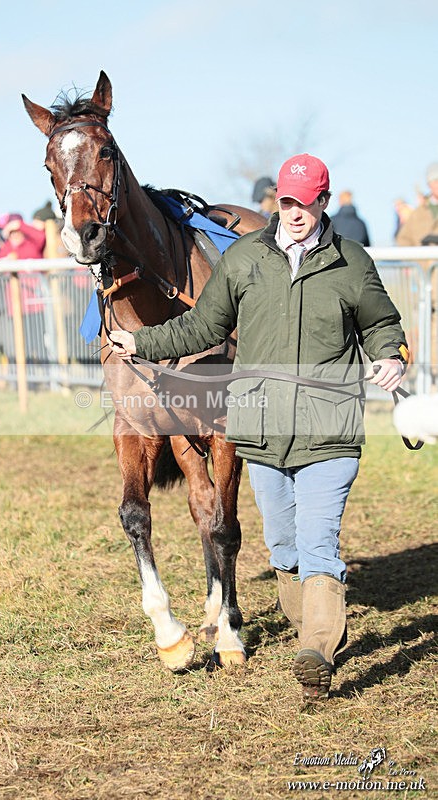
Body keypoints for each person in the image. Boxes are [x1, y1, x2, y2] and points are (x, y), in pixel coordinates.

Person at [108, 153, 408, 703]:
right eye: (286, 201)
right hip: (264, 429)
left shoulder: (351, 262)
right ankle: (308, 624)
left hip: (327, 427)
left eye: (305, 201)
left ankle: (316, 649)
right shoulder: (245, 258)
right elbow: (202, 325)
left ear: (323, 200)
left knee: (318, 544)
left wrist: (391, 355)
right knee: (283, 549)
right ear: (277, 203)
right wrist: (141, 342)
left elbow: (381, 321)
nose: (294, 212)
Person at [0, 212, 48, 366]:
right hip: (15, 307)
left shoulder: (32, 244)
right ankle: (29, 381)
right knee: (22, 345)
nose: (15, 235)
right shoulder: (6, 249)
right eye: (12, 231)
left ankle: (48, 377)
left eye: (17, 231)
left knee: (39, 344)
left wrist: (19, 225)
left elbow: (41, 237)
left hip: (35, 306)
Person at [396, 162, 438, 246]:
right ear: (429, 184)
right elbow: (402, 240)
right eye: (436, 181)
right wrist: (418, 255)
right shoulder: (417, 214)